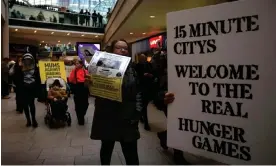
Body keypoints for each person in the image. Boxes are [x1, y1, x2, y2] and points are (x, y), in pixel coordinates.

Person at [89, 39, 142, 165]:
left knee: (131, 155)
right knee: (106, 150)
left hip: (127, 117)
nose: (122, 50)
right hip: (107, 115)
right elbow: (94, 92)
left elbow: (138, 92)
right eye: (118, 47)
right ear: (112, 50)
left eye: (125, 48)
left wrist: (137, 112)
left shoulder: (132, 69)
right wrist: (90, 84)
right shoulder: (101, 67)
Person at [152, 58, 189, 165]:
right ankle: (163, 140)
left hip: (181, 107)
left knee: (178, 130)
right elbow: (157, 93)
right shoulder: (163, 76)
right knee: (167, 129)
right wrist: (164, 96)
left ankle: (178, 155)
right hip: (167, 106)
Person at [135, 54, 156, 131]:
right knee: (144, 105)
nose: (143, 60)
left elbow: (154, 74)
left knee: (145, 105)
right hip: (141, 88)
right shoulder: (137, 66)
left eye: (144, 58)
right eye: (141, 59)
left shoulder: (149, 65)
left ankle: (143, 118)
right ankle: (145, 121)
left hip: (148, 87)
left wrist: (150, 75)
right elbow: (135, 77)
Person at [21, 53, 40, 127]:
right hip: (23, 88)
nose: (27, 61)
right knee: (25, 105)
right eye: (26, 60)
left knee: (31, 104)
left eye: (29, 59)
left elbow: (38, 78)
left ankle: (34, 119)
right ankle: (28, 120)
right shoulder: (20, 67)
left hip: (32, 87)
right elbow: (11, 73)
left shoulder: (35, 68)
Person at [69, 59, 89, 125]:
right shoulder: (73, 71)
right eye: (76, 63)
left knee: (86, 104)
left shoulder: (85, 71)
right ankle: (80, 119)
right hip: (77, 89)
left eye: (78, 63)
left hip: (84, 89)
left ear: (81, 64)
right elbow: (70, 80)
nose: (76, 65)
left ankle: (82, 114)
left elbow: (88, 80)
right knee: (78, 105)